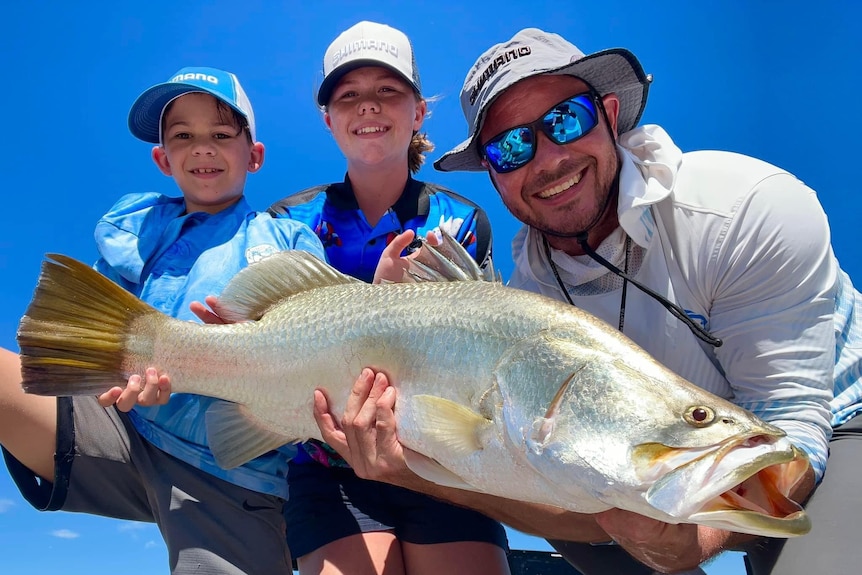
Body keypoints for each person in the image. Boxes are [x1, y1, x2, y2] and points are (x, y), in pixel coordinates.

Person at [311, 28, 862, 575]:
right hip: (666, 463)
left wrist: (695, 543)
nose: (547, 158)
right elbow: (536, 483)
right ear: (495, 177)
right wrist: (407, 470)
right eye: (510, 148)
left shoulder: (746, 209)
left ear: (611, 113)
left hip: (835, 433)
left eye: (565, 120)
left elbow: (791, 417)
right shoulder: (526, 295)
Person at [0, 67, 325, 575]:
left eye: (221, 135)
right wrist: (119, 378)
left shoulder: (288, 241)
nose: (202, 148)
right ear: (162, 158)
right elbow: (95, 336)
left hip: (230, 468)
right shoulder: (134, 231)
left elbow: (313, 354)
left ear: (254, 155)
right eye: (183, 137)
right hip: (120, 429)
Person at [262, 20, 509, 575]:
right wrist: (379, 308)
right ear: (329, 120)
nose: (367, 107)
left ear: (419, 111)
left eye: (387, 91)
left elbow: (485, 349)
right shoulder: (284, 222)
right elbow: (269, 330)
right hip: (329, 463)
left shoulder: (464, 221)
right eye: (348, 96)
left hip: (443, 464)